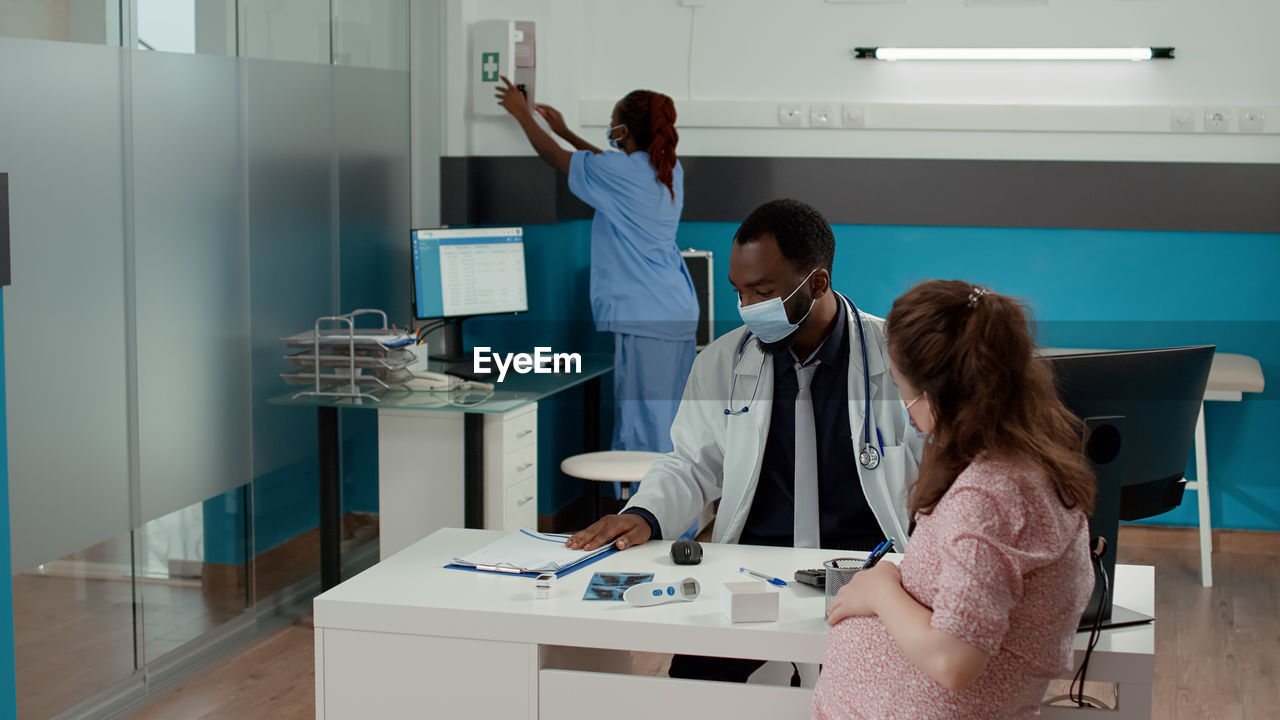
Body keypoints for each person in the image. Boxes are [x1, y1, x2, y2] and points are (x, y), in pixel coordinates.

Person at [567, 198, 922, 683]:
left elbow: (940, 470)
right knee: (697, 684)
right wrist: (643, 514)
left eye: (762, 291)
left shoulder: (897, 356)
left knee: (876, 685)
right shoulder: (721, 361)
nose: (748, 308)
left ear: (817, 282)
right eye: (739, 292)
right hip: (754, 565)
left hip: (865, 565)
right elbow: (691, 464)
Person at [813, 280, 1097, 719]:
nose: (904, 405)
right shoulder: (1017, 467)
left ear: (932, 395)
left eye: (902, 387)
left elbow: (953, 660)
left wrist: (881, 590)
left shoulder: (989, 493)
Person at [496, 79, 698, 456]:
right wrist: (566, 131)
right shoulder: (668, 170)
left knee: (644, 430)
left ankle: (647, 515)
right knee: (669, 425)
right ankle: (672, 513)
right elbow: (601, 167)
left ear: (624, 130)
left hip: (645, 315)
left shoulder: (623, 172)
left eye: (612, 120)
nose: (609, 127)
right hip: (674, 310)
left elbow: (556, 158)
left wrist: (521, 112)